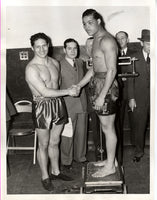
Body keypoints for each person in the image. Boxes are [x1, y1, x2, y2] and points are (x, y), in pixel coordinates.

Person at [25, 33, 77, 191]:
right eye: (38, 46)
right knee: (44, 144)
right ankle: (45, 176)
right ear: (32, 48)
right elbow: (44, 91)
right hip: (42, 107)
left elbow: (57, 84)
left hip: (58, 104)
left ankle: (55, 171)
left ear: (48, 45)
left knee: (55, 141)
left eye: (44, 45)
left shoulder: (55, 62)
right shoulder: (31, 68)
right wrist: (68, 91)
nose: (41, 49)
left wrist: (64, 93)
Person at [75, 9, 119, 177]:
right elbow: (94, 68)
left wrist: (102, 95)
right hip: (98, 83)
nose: (86, 27)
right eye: (84, 24)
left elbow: (112, 70)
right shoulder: (95, 40)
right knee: (105, 126)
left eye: (90, 22)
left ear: (99, 21)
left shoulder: (106, 40)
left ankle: (110, 167)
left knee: (108, 128)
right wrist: (79, 85)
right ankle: (110, 160)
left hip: (106, 87)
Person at [60, 38, 88, 169]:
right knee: (67, 135)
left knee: (82, 133)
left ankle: (80, 157)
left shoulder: (80, 62)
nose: (72, 51)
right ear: (64, 50)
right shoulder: (58, 65)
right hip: (67, 104)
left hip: (82, 103)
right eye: (69, 48)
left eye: (75, 48)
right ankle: (66, 161)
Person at [127, 29, 150, 162]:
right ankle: (138, 152)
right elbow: (130, 80)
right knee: (139, 127)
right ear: (142, 43)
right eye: (147, 43)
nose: (150, 46)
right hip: (139, 98)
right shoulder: (133, 58)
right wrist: (131, 98)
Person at [115, 31, 137, 164]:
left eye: (122, 38)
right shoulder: (114, 54)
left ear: (127, 39)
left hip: (133, 94)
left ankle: (137, 152)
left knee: (135, 124)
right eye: (117, 39)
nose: (120, 40)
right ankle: (118, 156)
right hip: (118, 96)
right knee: (118, 125)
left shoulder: (135, 54)